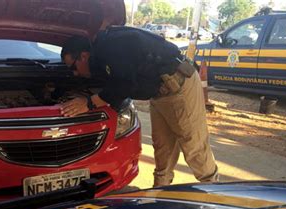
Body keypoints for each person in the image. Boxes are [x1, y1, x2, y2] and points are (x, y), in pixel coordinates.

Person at [60, 27, 218, 186]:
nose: (75, 74)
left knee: (194, 149)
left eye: (73, 68)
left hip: (179, 85)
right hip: (160, 93)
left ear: (84, 56)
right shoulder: (101, 57)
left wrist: (89, 103)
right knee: (163, 151)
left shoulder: (111, 47)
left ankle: (215, 196)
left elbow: (124, 85)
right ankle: (159, 197)